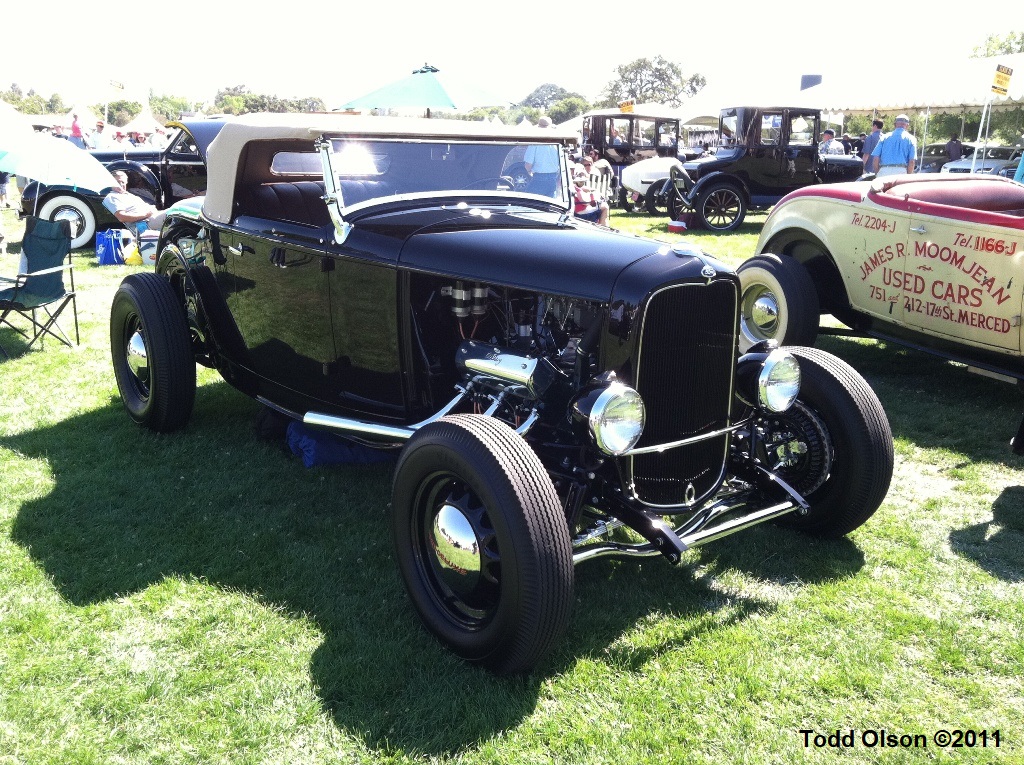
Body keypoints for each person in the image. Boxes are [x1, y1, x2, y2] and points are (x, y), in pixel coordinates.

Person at [103, 171, 168, 235]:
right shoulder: (112, 197)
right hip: (143, 224)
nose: (121, 184)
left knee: (177, 207)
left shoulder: (129, 195)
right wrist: (145, 215)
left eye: (122, 182)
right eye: (117, 182)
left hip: (152, 217)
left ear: (126, 182)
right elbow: (121, 217)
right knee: (174, 214)